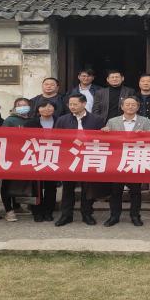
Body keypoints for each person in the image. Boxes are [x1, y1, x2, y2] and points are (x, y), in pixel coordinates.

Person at [102, 96, 150, 227]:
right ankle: (114, 216)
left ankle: (135, 215)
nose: (130, 107)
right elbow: (106, 140)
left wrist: (145, 134)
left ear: (138, 107)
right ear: (122, 107)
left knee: (135, 191)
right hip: (117, 160)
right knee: (115, 191)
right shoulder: (112, 121)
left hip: (136, 159)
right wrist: (105, 132)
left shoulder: (146, 121)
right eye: (127, 104)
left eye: (133, 104)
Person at [54, 93, 105, 226]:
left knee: (87, 188)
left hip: (88, 156)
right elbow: (57, 138)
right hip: (69, 157)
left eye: (75, 104)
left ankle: (87, 214)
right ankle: (66, 215)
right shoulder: (62, 120)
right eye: (70, 104)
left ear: (84, 104)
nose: (72, 107)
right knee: (68, 188)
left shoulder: (97, 119)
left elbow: (102, 140)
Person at [24, 101, 59, 222]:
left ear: (54, 109)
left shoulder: (60, 121)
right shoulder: (30, 123)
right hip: (36, 157)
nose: (46, 109)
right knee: (36, 187)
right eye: (43, 106)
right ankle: (37, 212)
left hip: (54, 157)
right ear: (38, 109)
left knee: (51, 187)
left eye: (50, 106)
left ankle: (48, 212)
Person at [0, 98, 34, 222]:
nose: (23, 107)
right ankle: (8, 210)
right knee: (8, 183)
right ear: (15, 107)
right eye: (20, 105)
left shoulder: (32, 120)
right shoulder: (10, 120)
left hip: (28, 156)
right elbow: (4, 137)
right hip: (12, 156)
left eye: (25, 105)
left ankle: (17, 206)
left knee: (19, 183)